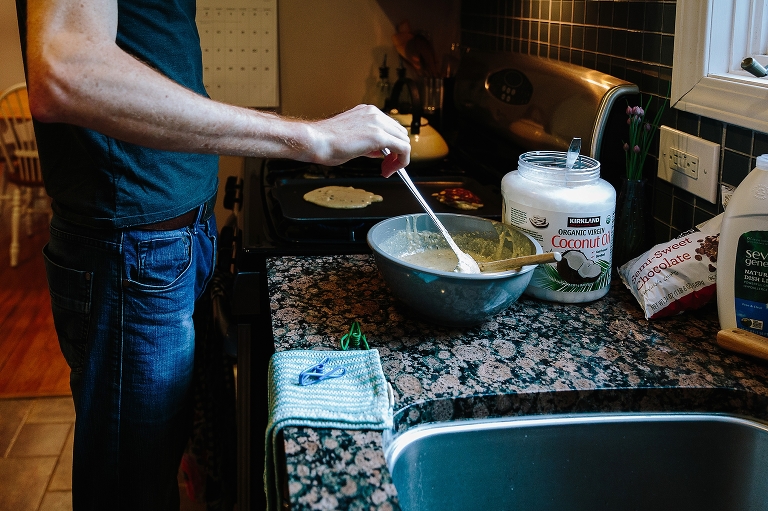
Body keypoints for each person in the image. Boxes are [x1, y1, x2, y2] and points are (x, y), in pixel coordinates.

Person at [16, 0, 410, 509]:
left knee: (155, 471)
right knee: (129, 492)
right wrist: (312, 136)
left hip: (167, 247)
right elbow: (67, 71)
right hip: (133, 255)